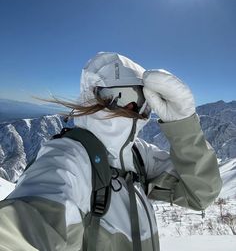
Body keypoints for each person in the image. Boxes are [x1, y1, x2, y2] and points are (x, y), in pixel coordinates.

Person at [0, 52, 222, 251]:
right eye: (123, 96)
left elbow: (201, 194)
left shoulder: (140, 157)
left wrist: (183, 126)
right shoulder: (69, 157)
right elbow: (29, 226)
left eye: (143, 101)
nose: (133, 109)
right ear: (94, 94)